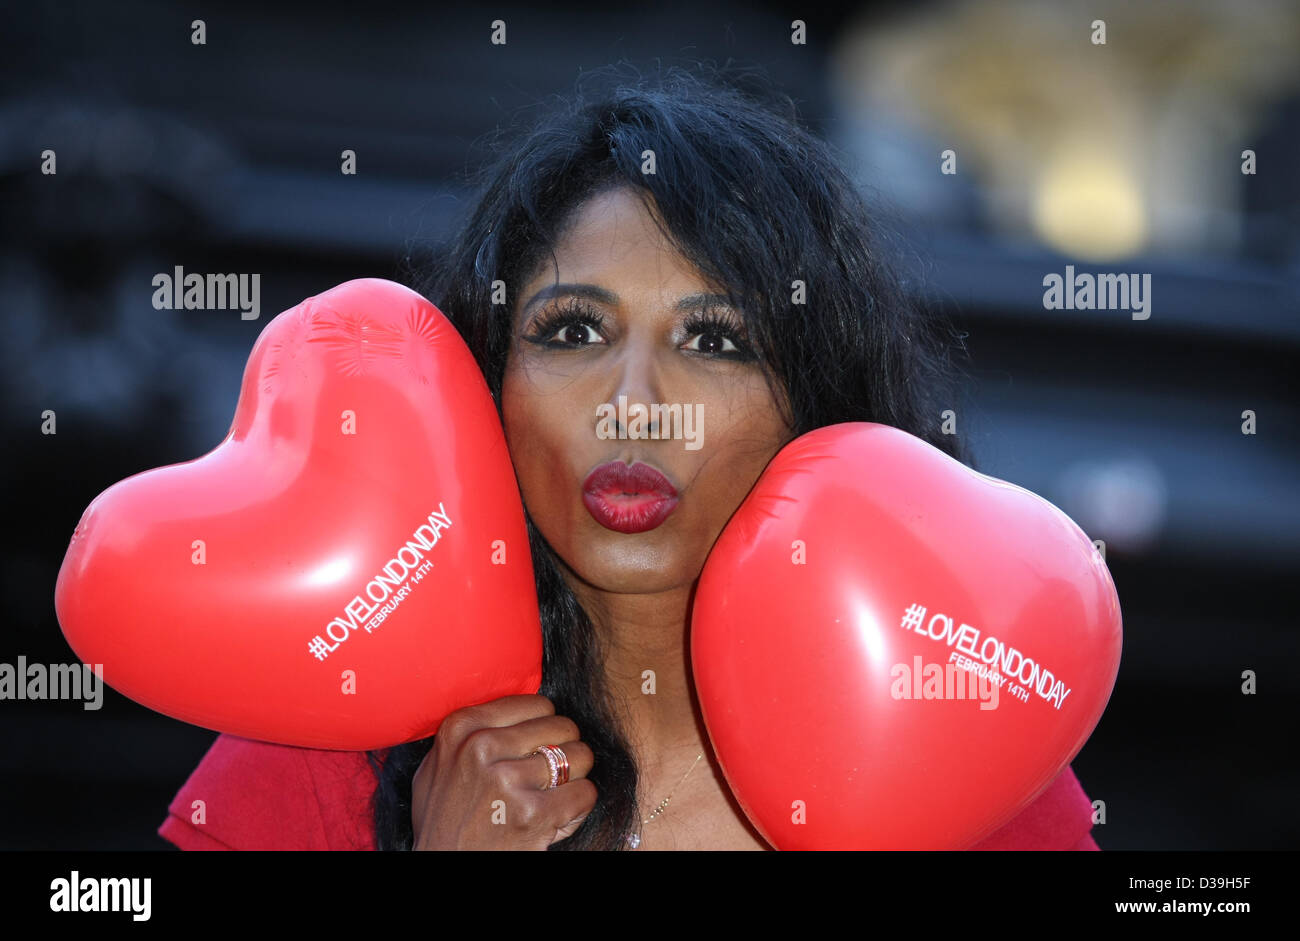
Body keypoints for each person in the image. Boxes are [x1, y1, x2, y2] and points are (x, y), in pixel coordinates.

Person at [159, 63, 1103, 851]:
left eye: (715, 341)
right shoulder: (331, 738)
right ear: (490, 380)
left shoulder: (967, 740)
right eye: (572, 331)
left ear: (816, 404)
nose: (635, 408)